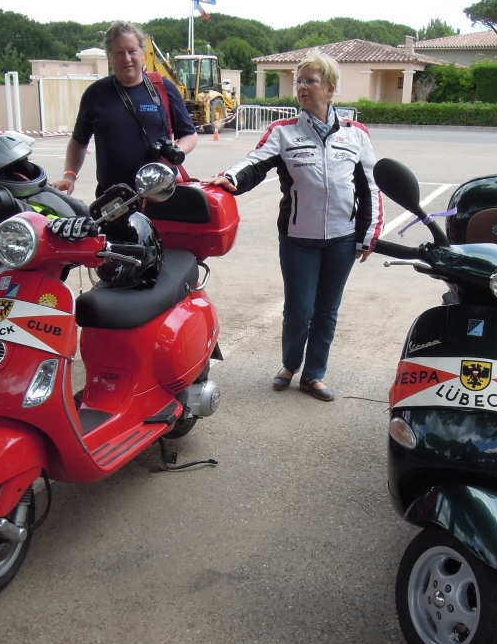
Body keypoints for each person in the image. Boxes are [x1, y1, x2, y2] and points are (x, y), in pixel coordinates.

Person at [203, 50, 383, 402]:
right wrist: (229, 178)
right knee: (299, 310)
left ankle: (313, 375)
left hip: (342, 240)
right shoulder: (283, 132)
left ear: (329, 88)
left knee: (326, 312)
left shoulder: (356, 134)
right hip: (298, 239)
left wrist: (368, 234)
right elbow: (255, 163)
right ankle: (289, 364)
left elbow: (370, 187)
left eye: (310, 81)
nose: (302, 87)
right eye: (299, 81)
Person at [52, 21, 198, 198]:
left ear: (142, 53)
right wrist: (70, 175)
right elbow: (78, 142)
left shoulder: (163, 88)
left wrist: (177, 152)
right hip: (114, 200)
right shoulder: (95, 94)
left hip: (160, 197)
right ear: (109, 57)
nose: (127, 58)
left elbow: (189, 135)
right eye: (119, 53)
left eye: (132, 51)